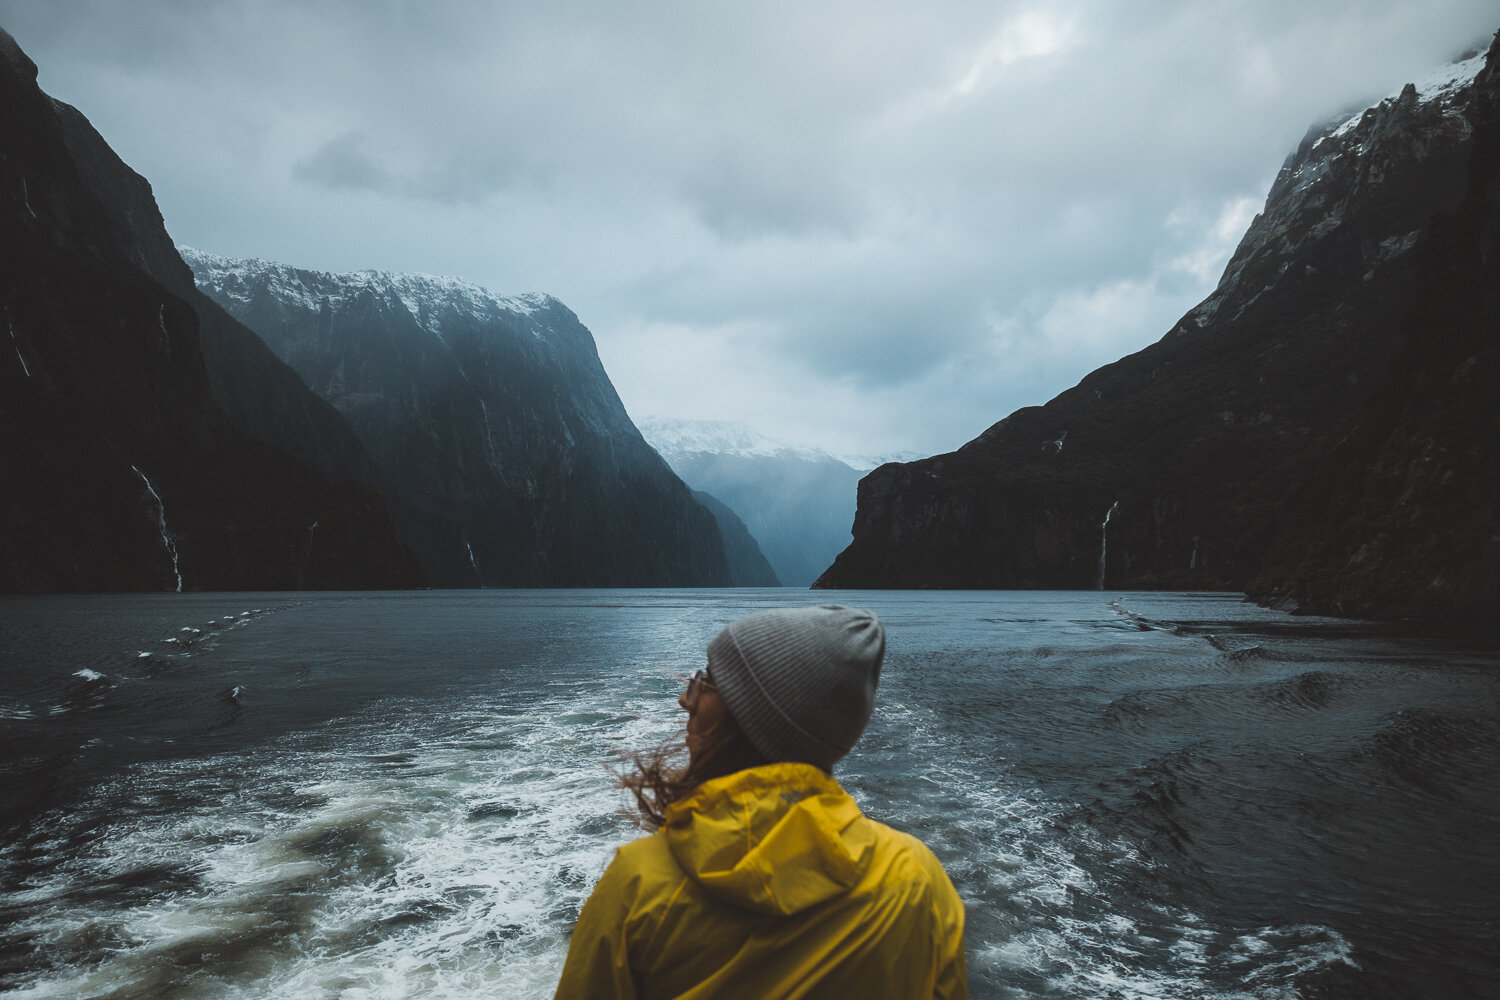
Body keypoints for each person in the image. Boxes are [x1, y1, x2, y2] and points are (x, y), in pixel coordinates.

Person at [553, 604, 968, 999]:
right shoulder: (919, 881)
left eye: (710, 683)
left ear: (749, 720)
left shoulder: (638, 884)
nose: (687, 698)